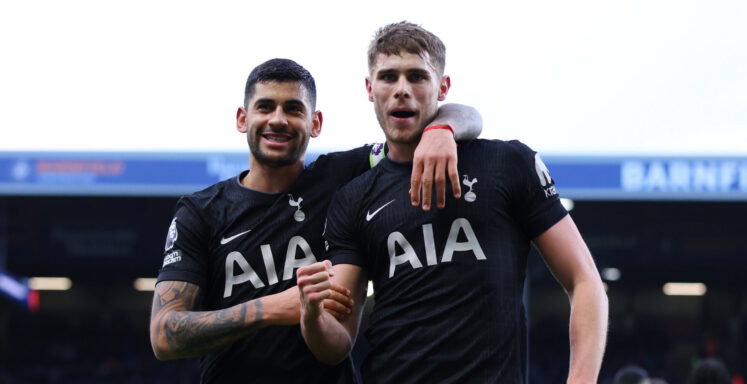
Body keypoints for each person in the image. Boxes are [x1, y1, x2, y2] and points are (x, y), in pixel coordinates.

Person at [297, 21, 609, 384]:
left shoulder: (507, 164)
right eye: (388, 77)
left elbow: (584, 280)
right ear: (370, 88)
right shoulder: (353, 198)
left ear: (442, 87)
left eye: (417, 76)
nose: (401, 90)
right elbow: (337, 344)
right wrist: (312, 315)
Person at [148, 58, 481, 383]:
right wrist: (273, 307)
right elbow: (164, 336)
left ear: (315, 123)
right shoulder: (200, 211)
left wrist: (441, 130)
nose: (278, 120)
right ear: (242, 118)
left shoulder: (344, 177)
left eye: (294, 109)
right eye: (265, 107)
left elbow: (467, 116)